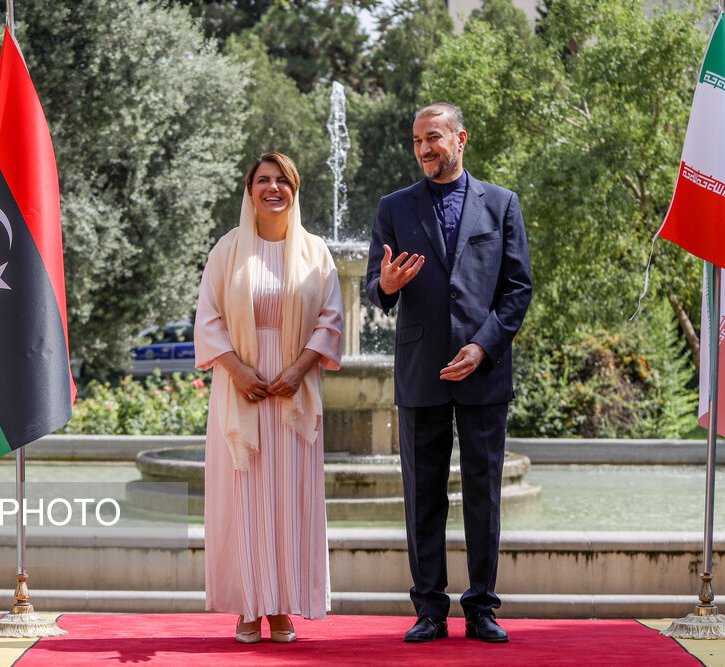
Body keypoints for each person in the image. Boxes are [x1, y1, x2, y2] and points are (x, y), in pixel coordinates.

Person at [365, 103, 532, 643]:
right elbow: (375, 287)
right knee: (423, 496)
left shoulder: (502, 204)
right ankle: (429, 609)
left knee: (483, 493)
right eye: (416, 141)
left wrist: (483, 348)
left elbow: (517, 290)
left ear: (460, 139)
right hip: (420, 372)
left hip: (483, 373)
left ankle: (482, 608)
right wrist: (386, 285)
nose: (422, 150)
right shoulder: (393, 208)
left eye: (432, 138)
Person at [195, 152, 343, 643]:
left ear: (295, 189)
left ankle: (282, 605)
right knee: (245, 498)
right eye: (264, 180)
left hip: (294, 390)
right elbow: (209, 318)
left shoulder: (316, 252)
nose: (273, 188)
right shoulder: (228, 250)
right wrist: (236, 371)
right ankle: (248, 606)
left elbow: (330, 319)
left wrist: (299, 370)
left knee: (290, 499)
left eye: (283, 180)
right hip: (242, 388)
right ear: (249, 189)